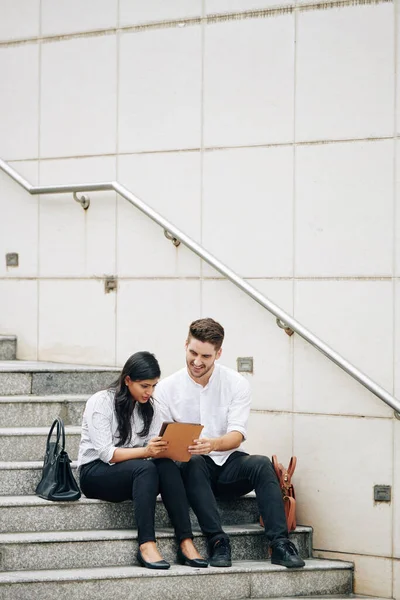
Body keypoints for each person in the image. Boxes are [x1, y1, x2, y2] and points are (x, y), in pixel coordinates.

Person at [154, 318, 305, 569]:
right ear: (185, 345)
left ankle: (280, 544)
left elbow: (237, 434)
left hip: (228, 466)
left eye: (206, 356)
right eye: (193, 353)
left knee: (261, 464)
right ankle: (217, 541)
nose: (197, 362)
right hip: (192, 470)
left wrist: (212, 444)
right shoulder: (167, 388)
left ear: (219, 353)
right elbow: (164, 440)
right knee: (193, 462)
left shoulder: (237, 383)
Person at [77, 351, 208, 570]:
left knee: (165, 466)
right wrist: (147, 451)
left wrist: (177, 446)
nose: (149, 392)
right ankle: (146, 544)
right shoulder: (101, 402)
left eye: (154, 386)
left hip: (133, 473)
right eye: (144, 386)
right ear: (127, 380)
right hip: (96, 474)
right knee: (146, 468)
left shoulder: (151, 407)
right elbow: (107, 454)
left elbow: (155, 449)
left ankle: (186, 541)